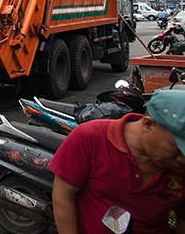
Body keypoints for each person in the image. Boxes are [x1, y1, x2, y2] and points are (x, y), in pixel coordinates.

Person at [50, 89, 185, 234]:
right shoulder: (91, 137)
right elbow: (63, 197)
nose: (182, 160)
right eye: (177, 150)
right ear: (147, 125)